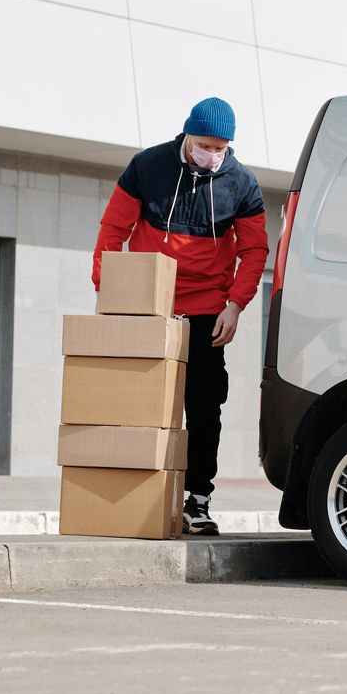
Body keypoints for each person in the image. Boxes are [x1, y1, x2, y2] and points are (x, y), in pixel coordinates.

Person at [93, 97, 268, 536]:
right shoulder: (146, 167)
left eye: (222, 148)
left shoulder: (242, 184)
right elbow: (113, 230)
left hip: (209, 309)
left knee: (206, 408)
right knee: (138, 403)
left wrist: (236, 304)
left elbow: (255, 251)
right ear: (187, 136)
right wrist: (109, 290)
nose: (213, 155)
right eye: (206, 145)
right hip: (150, 304)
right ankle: (131, 492)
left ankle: (198, 501)